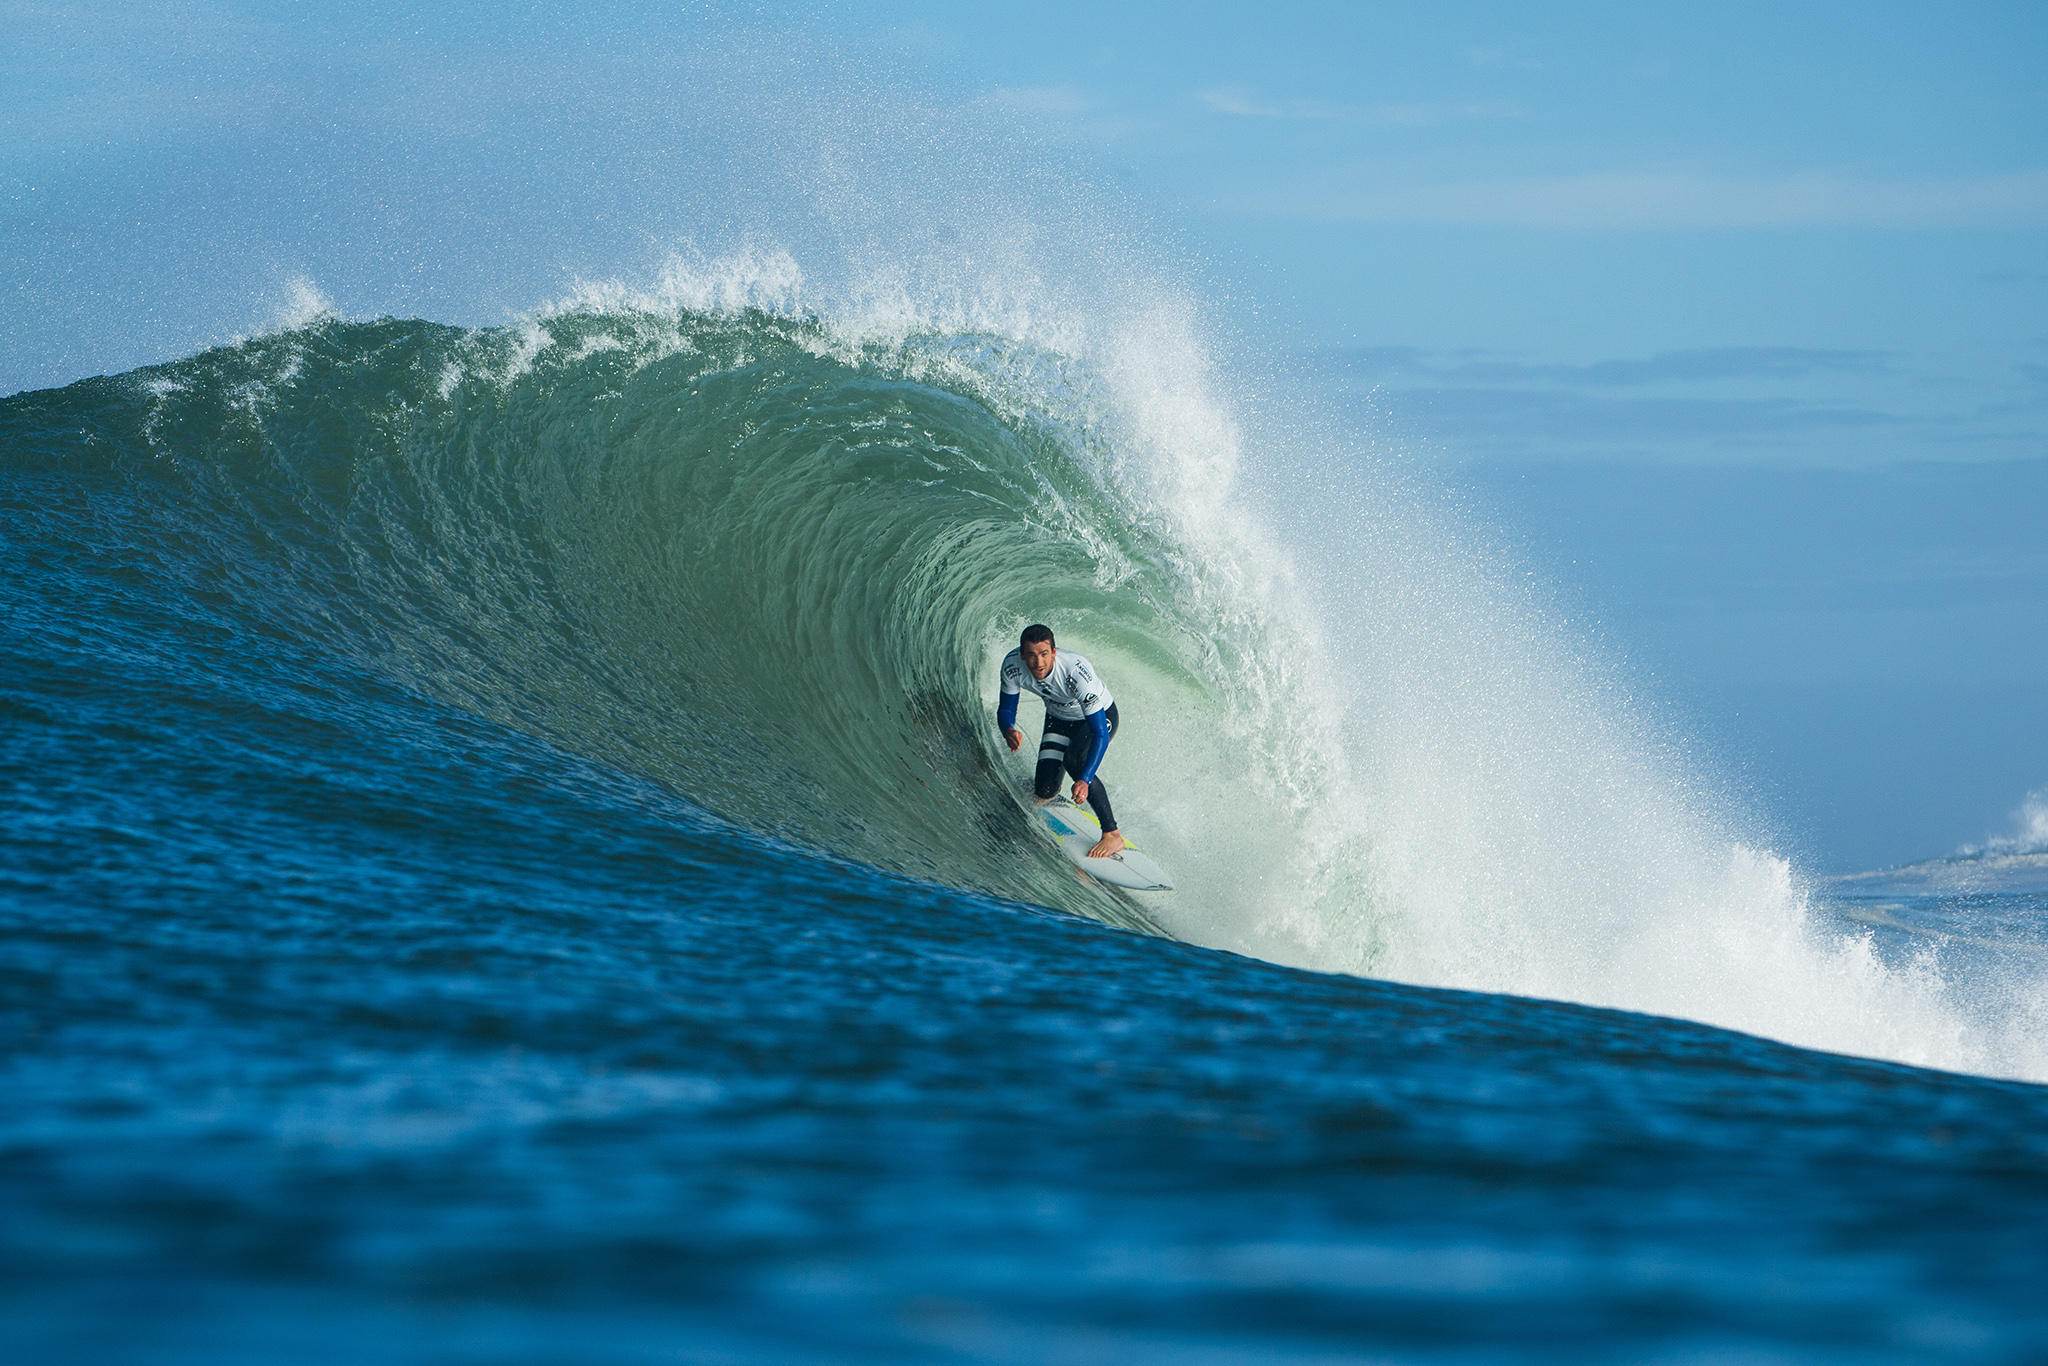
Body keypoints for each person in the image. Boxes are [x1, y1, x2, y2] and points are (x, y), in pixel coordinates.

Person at [996, 623, 1125, 859]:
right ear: (1023, 654)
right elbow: (1006, 708)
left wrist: (1084, 780)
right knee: (1044, 789)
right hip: (1059, 718)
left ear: (1054, 652)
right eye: (1032, 655)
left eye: (1044, 654)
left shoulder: (1076, 672)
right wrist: (1008, 730)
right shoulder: (1013, 665)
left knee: (1075, 760)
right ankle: (1052, 791)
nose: (1038, 663)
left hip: (1098, 719)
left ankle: (1112, 834)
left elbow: (1099, 734)